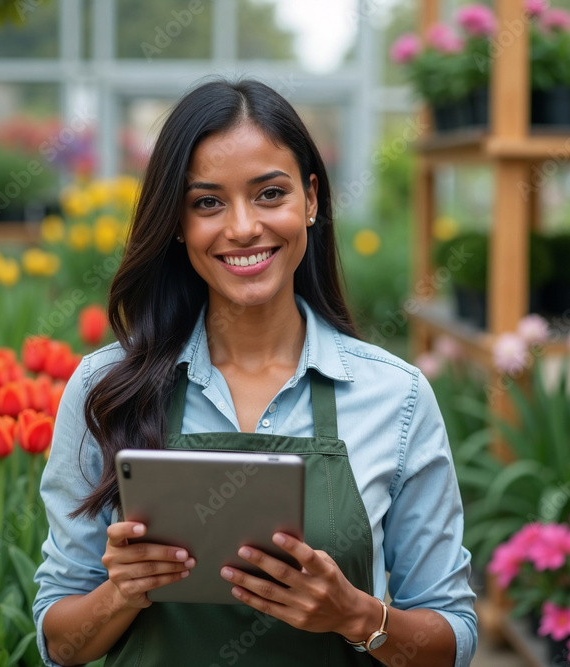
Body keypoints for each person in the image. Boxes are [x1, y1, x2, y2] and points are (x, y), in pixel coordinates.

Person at [33, 78, 477, 667]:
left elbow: (455, 636)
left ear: (311, 200)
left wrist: (357, 615)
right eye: (207, 202)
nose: (242, 227)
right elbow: (58, 641)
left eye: (270, 194)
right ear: (176, 222)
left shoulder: (395, 397)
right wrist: (120, 593)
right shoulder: (105, 389)